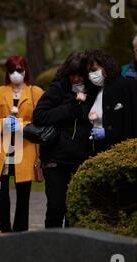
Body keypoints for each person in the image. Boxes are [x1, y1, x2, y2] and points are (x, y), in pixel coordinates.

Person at [32, 52, 95, 228]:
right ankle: (51, 245)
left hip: (82, 158)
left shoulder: (94, 92)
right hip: (55, 159)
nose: (76, 79)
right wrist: (71, 106)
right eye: (72, 75)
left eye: (80, 75)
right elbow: (39, 116)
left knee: (76, 207)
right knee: (55, 206)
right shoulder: (57, 89)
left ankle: (71, 245)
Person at [0, 55, 44, 232]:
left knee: (23, 191)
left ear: (25, 70)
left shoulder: (36, 92)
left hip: (24, 148)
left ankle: (20, 229)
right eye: (12, 70)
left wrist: (21, 126)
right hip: (1, 149)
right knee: (1, 192)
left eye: (19, 70)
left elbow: (40, 121)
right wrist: (4, 123)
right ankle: (4, 228)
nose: (15, 74)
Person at [86, 48, 137, 154]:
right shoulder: (95, 91)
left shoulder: (130, 87)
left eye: (94, 70)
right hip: (98, 151)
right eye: (89, 72)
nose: (91, 75)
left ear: (106, 67)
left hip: (123, 152)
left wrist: (108, 132)